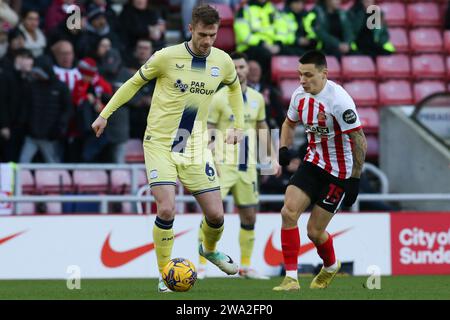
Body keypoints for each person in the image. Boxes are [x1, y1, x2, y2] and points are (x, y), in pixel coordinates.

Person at [91, 4, 245, 292]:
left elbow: (235, 89)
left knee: (216, 216)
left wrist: (239, 124)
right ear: (190, 29)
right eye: (202, 34)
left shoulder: (222, 61)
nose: (207, 41)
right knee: (167, 209)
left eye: (212, 35)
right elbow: (133, 83)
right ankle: (164, 271)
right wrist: (105, 115)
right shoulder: (166, 57)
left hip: (195, 145)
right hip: (160, 143)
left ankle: (209, 250)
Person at [273, 50, 367, 291]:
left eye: (308, 75)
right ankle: (291, 279)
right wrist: (284, 148)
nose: (302, 80)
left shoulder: (339, 100)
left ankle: (330, 266)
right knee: (288, 212)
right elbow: (288, 123)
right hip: (313, 163)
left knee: (314, 232)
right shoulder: (299, 95)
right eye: (299, 75)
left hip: (339, 173)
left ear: (324, 74)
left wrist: (355, 180)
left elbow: (359, 140)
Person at [197, 52, 281, 279]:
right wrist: (209, 154)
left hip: (248, 165)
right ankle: (202, 264)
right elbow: (209, 129)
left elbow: (262, 128)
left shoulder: (257, 98)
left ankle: (245, 266)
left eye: (242, 66)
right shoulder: (218, 98)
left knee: (249, 216)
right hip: (223, 163)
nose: (238, 70)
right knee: (212, 214)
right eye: (233, 67)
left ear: (247, 69)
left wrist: (272, 157)